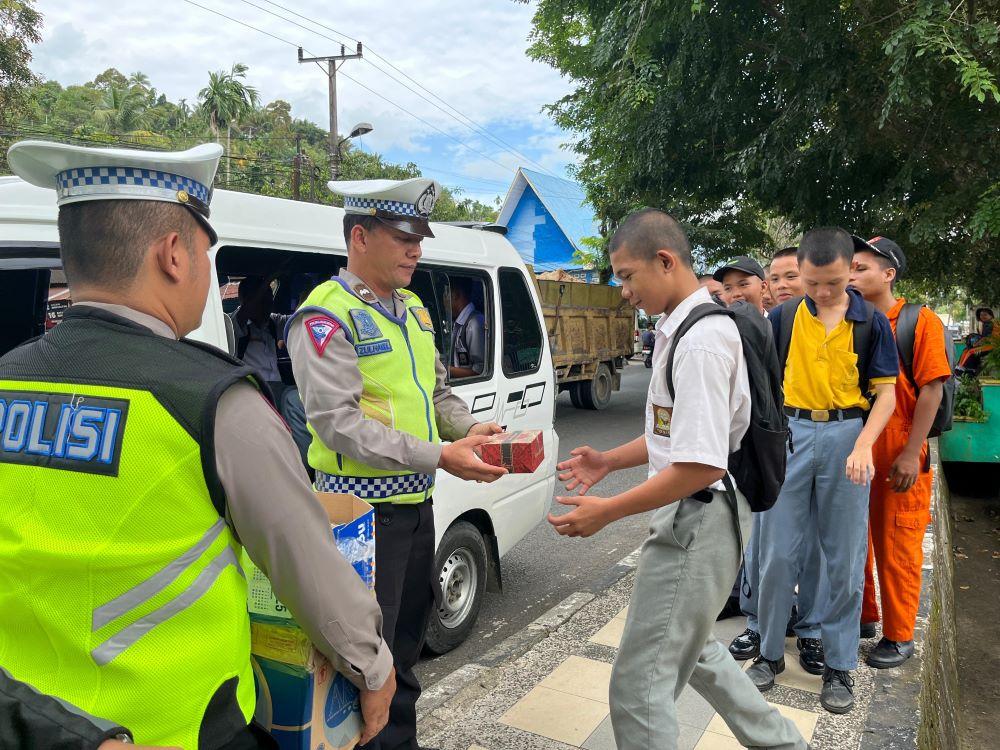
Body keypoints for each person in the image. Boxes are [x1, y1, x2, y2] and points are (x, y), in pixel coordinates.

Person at [0, 141, 395, 747]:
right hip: (178, 729)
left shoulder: (7, 380)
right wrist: (373, 666)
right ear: (174, 254)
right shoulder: (214, 403)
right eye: (208, 253)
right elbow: (307, 564)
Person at [550, 208, 806, 750]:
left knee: (638, 687)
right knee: (697, 650)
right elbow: (673, 438)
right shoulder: (679, 329)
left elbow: (702, 463)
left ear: (664, 261)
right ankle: (783, 743)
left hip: (700, 518)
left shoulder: (702, 341)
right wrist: (609, 463)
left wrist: (608, 510)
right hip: (699, 515)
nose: (622, 291)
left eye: (625, 275)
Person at [285, 177, 507, 750]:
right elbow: (337, 424)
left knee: (407, 643)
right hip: (359, 516)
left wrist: (469, 429)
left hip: (413, 507)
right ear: (360, 236)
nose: (417, 249)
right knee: (362, 662)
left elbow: (434, 397)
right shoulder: (325, 317)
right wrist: (440, 453)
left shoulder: (411, 309)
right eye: (404, 236)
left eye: (420, 237)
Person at [747, 229, 898, 714]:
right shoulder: (784, 317)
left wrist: (864, 445)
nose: (823, 292)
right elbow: (762, 385)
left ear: (850, 270)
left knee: (845, 559)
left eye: (833, 282)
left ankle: (839, 665)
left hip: (847, 437)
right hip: (791, 433)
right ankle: (769, 653)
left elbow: (887, 394)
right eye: (812, 282)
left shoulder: (870, 321)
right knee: (776, 553)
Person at [851, 236, 951, 668]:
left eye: (861, 268)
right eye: (850, 268)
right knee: (856, 538)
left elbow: (932, 387)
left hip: (899, 443)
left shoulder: (918, 321)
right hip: (859, 442)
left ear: (888, 274)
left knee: (896, 541)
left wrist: (912, 452)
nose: (852, 275)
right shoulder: (851, 322)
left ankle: (899, 633)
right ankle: (865, 615)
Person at [729, 245, 829, 674]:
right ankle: (758, 622)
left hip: (819, 442)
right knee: (767, 545)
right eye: (778, 277)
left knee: (817, 546)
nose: (785, 285)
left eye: (794, 276)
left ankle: (811, 630)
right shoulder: (760, 327)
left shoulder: (831, 327)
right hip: (771, 449)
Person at [448, 276, 486, 379]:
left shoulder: (474, 323)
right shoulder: (458, 323)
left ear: (455, 295)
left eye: (445, 294)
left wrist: (445, 370)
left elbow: (480, 370)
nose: (444, 300)